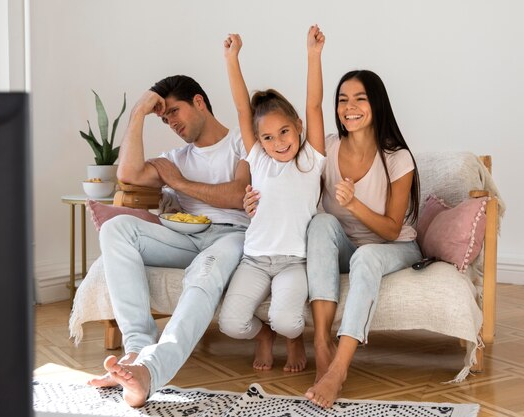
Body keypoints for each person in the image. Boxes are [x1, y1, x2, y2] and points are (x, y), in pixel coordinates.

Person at [245, 70, 422, 408]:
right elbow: (278, 174)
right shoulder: (326, 147)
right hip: (344, 246)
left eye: (359, 99)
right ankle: (322, 346)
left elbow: (391, 229)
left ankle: (338, 370)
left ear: (377, 103)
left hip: (393, 247)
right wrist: (250, 200)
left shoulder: (398, 158)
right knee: (322, 222)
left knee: (367, 256)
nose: (349, 107)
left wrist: (354, 203)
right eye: (342, 100)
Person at [87, 75, 250, 407]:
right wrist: (138, 113)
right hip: (186, 236)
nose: (171, 123)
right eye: (164, 118)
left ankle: (150, 372)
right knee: (117, 228)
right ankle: (136, 349)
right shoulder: (177, 156)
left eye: (175, 112)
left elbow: (236, 196)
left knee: (204, 271)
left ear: (199, 102)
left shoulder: (241, 143)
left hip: (233, 236)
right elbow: (128, 175)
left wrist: (178, 182)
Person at [218, 26, 326, 373]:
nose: (278, 142)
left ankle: (292, 339)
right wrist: (232, 59)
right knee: (231, 324)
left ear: (297, 126)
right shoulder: (259, 159)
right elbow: (240, 107)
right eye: (267, 137)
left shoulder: (311, 160)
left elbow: (314, 104)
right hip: (254, 260)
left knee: (291, 323)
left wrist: (312, 55)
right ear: (259, 142)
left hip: (294, 261)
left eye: (284, 132)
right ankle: (264, 335)